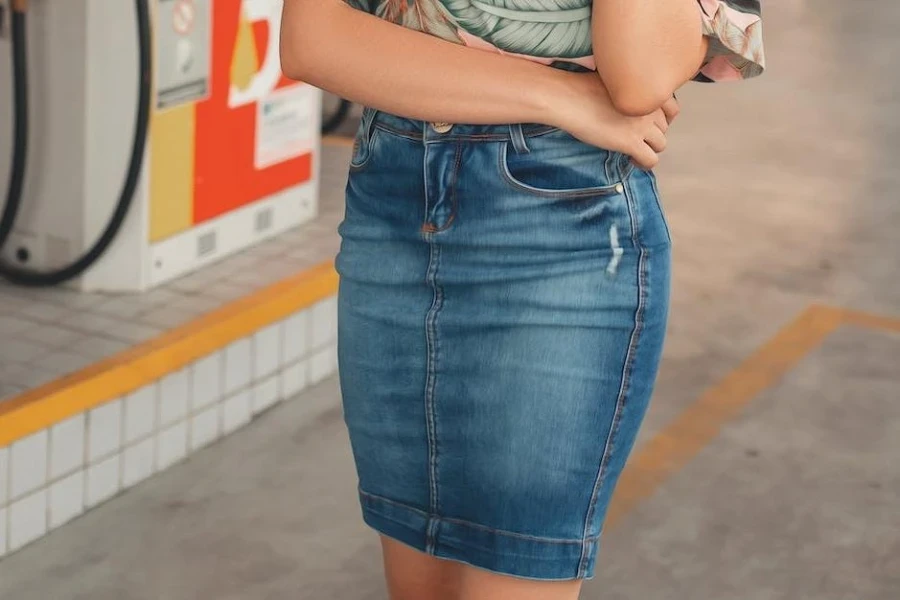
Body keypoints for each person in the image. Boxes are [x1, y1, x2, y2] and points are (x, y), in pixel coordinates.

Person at [281, 1, 764, 598]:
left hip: (560, 220)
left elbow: (640, 76)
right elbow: (314, 40)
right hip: (394, 201)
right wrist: (555, 94)